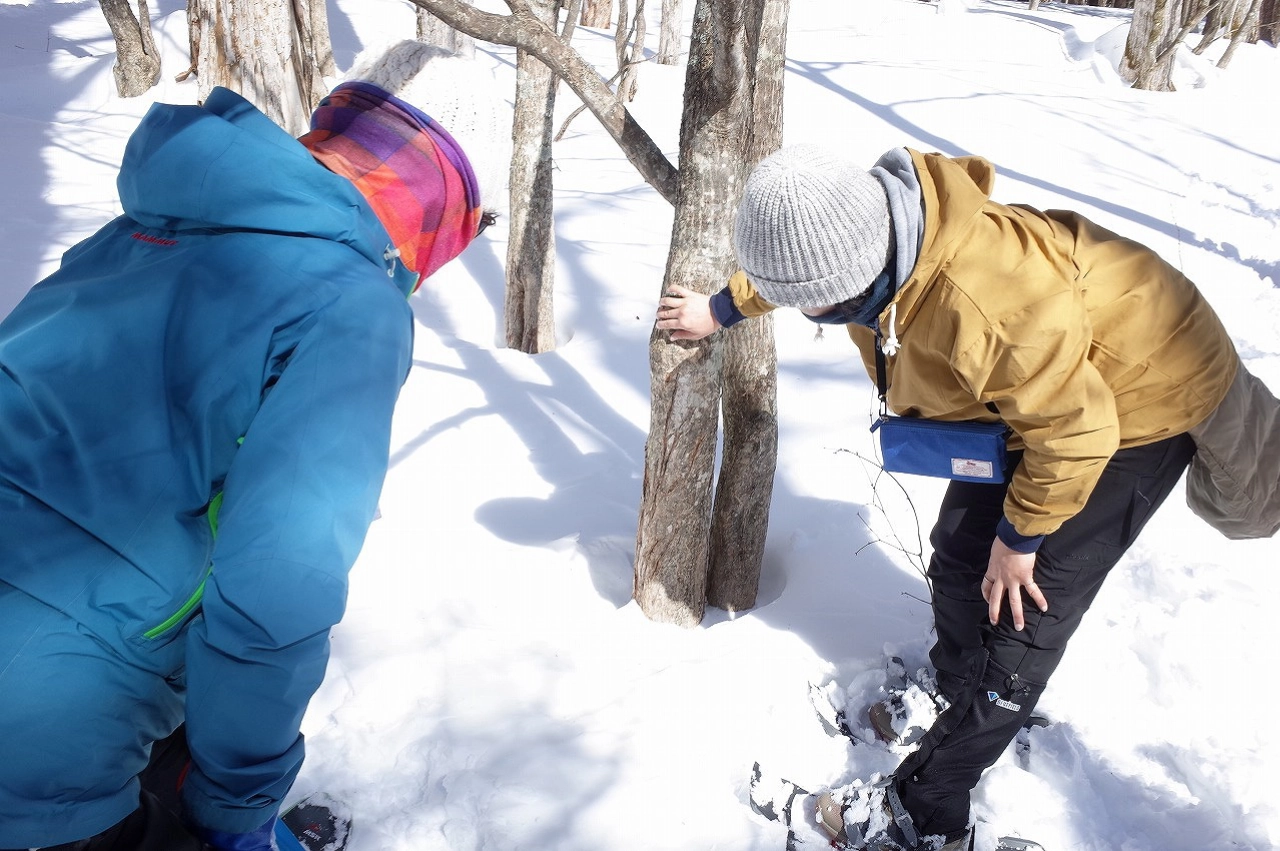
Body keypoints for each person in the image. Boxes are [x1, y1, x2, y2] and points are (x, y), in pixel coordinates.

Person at [657, 144, 1280, 850]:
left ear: (860, 275)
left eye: (811, 304)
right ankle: (954, 688)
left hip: (1135, 399)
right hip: (1047, 388)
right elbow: (805, 259)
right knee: (959, 554)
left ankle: (924, 811)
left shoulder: (989, 302)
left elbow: (1078, 431)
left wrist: (1020, 541)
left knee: (1023, 612)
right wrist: (723, 307)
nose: (804, 309)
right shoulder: (871, 231)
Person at [0, 40, 508, 851]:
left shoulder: (150, 224)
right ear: (446, 206)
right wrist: (231, 813)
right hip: (41, 728)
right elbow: (273, 595)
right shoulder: (351, 304)